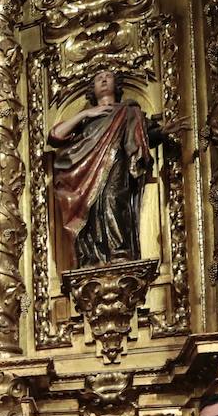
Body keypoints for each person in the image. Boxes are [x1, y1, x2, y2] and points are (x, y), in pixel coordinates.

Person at [49, 69, 176, 267]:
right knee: (90, 211)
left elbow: (145, 134)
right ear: (93, 89)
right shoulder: (87, 118)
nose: (104, 79)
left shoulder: (128, 110)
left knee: (112, 199)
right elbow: (55, 136)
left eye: (108, 77)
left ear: (116, 85)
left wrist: (163, 131)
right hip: (84, 170)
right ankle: (91, 257)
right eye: (98, 78)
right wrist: (86, 113)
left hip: (117, 163)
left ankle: (119, 251)